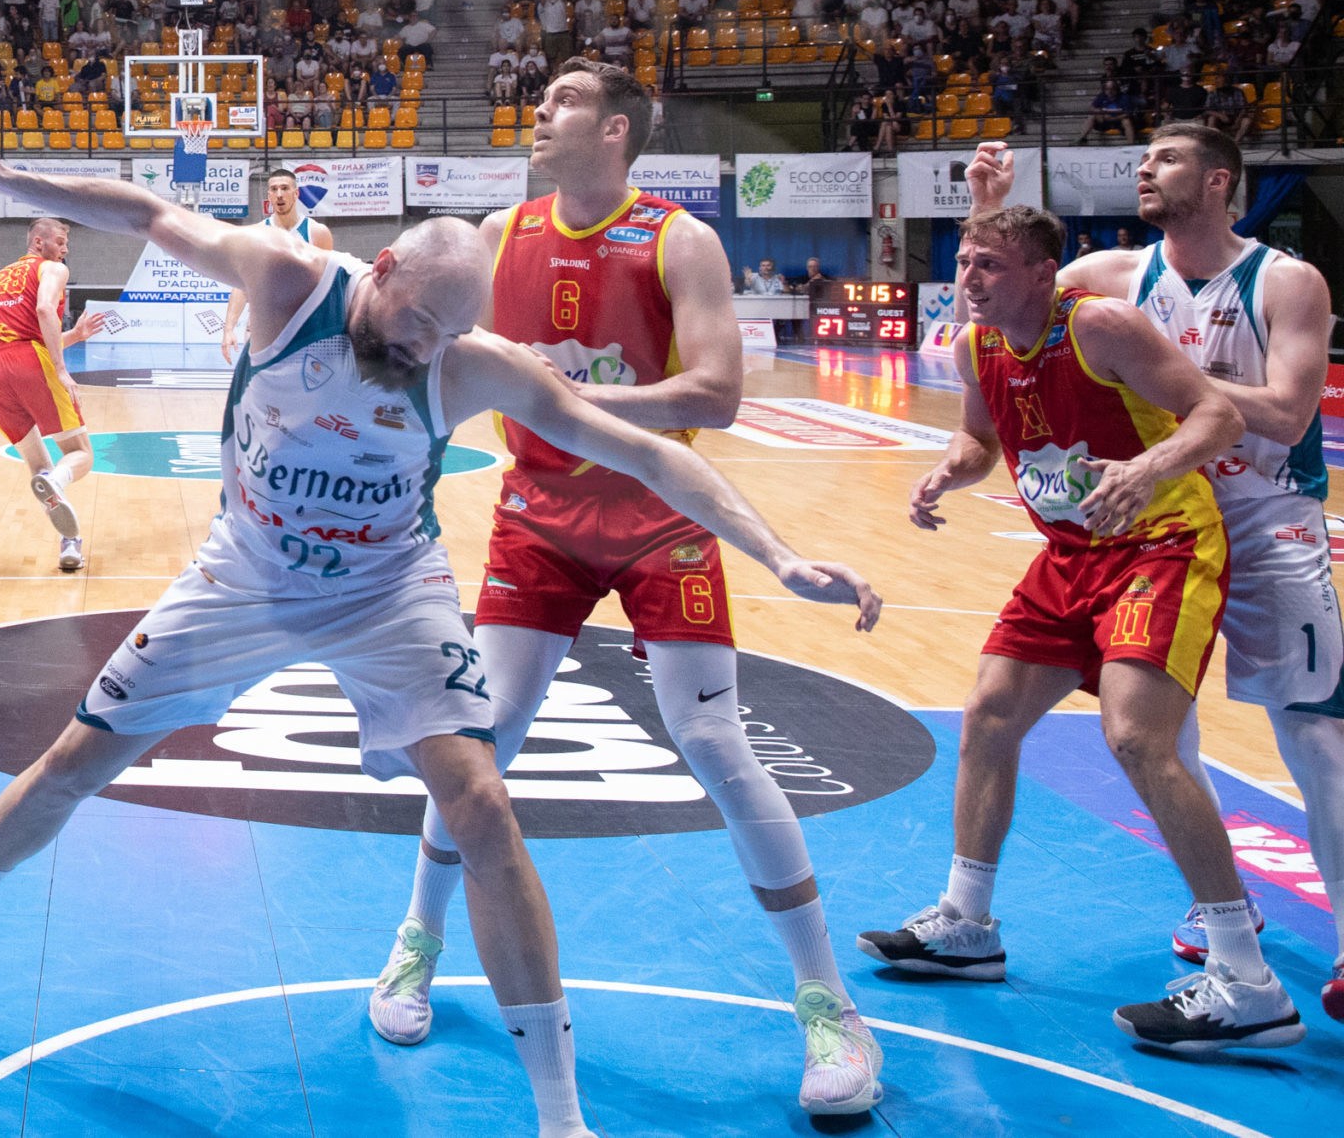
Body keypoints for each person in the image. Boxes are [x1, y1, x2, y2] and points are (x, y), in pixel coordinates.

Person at [0, 103, 881, 1138]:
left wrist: (778, 553)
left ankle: (559, 1114)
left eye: (448, 338)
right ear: (385, 268)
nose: (424, 351)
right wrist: (3, 177)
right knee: (77, 758)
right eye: (418, 324)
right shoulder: (287, 278)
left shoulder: (464, 360)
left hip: (386, 593)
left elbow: (646, 453)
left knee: (481, 801)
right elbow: (144, 210)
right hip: (244, 576)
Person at [369, 60, 885, 1114]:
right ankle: (416, 938)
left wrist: (568, 398)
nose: (538, 113)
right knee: (482, 741)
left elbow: (719, 393)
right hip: (538, 519)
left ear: (614, 130)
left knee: (714, 742)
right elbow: (434, 355)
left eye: (562, 100)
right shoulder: (498, 236)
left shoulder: (677, 239)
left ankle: (830, 1003)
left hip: (660, 516)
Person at [859, 201, 1306, 1050]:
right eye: (965, 261)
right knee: (989, 713)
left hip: (1161, 543)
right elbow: (980, 439)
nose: (969, 277)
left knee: (1138, 737)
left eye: (990, 264)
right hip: (1070, 554)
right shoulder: (976, 344)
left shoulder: (1100, 325)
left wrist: (1146, 467)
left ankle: (1248, 980)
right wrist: (948, 471)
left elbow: (1217, 415)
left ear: (1042, 273)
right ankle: (967, 923)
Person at [966, 130, 1342, 1023]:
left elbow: (1290, 415)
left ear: (1218, 181)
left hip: (1267, 518)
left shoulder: (1285, 280)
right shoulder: (1114, 273)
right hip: (1155, 520)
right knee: (1162, 733)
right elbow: (1013, 301)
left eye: (1166, 157)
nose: (1144, 166)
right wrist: (987, 208)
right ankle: (1223, 907)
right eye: (1144, 157)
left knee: (1315, 738)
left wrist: (1158, 373)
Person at [0, 219, 102, 573]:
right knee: (81, 454)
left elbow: (23, 335)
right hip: (31, 366)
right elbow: (45, 310)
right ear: (39, 242)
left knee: (41, 470)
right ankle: (56, 485)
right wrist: (62, 369)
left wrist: (74, 336)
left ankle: (70, 543)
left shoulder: (4, 275)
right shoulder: (53, 269)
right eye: (60, 241)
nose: (65, 249)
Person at [219, 168, 336, 363]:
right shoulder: (256, 234)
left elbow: (328, 285)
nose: (279, 194)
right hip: (263, 324)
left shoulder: (317, 232)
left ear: (296, 193)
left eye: (284, 188)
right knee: (259, 379)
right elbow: (241, 285)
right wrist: (228, 329)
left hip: (303, 324)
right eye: (274, 189)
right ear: (269, 196)